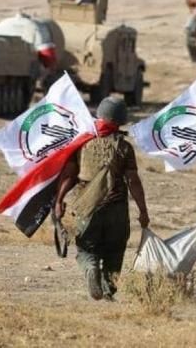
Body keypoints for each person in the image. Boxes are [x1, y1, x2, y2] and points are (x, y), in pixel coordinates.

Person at [54, 97, 149, 301]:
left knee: (86, 247)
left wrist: (59, 201)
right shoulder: (124, 148)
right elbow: (133, 181)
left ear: (99, 115)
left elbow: (69, 176)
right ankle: (108, 289)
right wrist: (143, 211)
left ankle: (90, 267)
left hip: (87, 207)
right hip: (116, 209)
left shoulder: (82, 143)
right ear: (121, 120)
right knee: (115, 249)